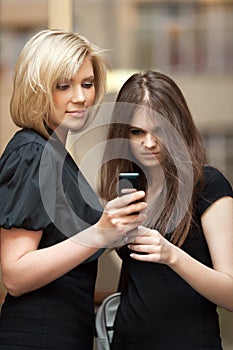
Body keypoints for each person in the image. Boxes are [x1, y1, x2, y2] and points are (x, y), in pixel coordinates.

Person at [0, 30, 147, 350]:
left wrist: (116, 229)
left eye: (88, 84)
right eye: (63, 86)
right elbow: (15, 274)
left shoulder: (54, 154)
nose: (80, 97)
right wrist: (100, 232)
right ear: (37, 89)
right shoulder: (32, 153)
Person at [99, 71, 233, 350]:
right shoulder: (131, 189)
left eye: (159, 130)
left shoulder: (207, 185)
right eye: (137, 132)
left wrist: (172, 255)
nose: (149, 143)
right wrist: (107, 233)